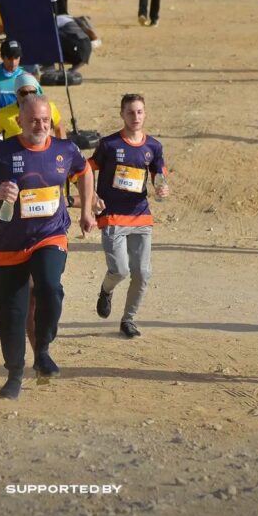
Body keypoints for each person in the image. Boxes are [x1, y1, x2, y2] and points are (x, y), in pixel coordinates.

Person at [0, 94, 96, 399]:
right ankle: (15, 373)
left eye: (45, 120)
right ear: (19, 121)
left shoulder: (64, 149)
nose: (41, 126)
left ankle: (43, 348)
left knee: (49, 286)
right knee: (11, 317)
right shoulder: (2, 153)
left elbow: (84, 172)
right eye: (34, 120)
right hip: (9, 246)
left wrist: (86, 210)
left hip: (50, 235)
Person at [91, 93, 168, 338]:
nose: (136, 117)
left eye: (140, 112)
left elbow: (159, 172)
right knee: (120, 270)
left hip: (141, 216)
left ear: (145, 113)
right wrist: (91, 196)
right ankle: (106, 290)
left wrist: (161, 186)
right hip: (113, 216)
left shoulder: (153, 146)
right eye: (131, 112)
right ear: (122, 114)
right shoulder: (109, 145)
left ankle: (129, 320)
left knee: (143, 273)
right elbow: (85, 169)